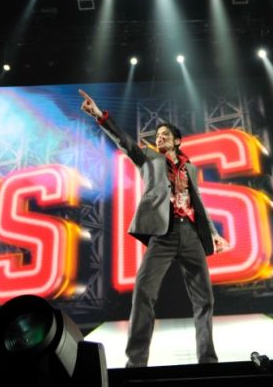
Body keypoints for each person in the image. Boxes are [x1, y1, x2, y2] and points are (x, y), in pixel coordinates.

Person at [79, 89, 229, 367]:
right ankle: (135, 362)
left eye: (164, 135)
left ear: (177, 141)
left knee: (205, 299)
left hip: (192, 234)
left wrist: (214, 233)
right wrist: (99, 115)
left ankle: (207, 360)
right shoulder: (148, 159)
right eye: (157, 135)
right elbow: (124, 142)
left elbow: (198, 203)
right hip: (164, 233)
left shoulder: (190, 168)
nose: (159, 138)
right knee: (144, 292)